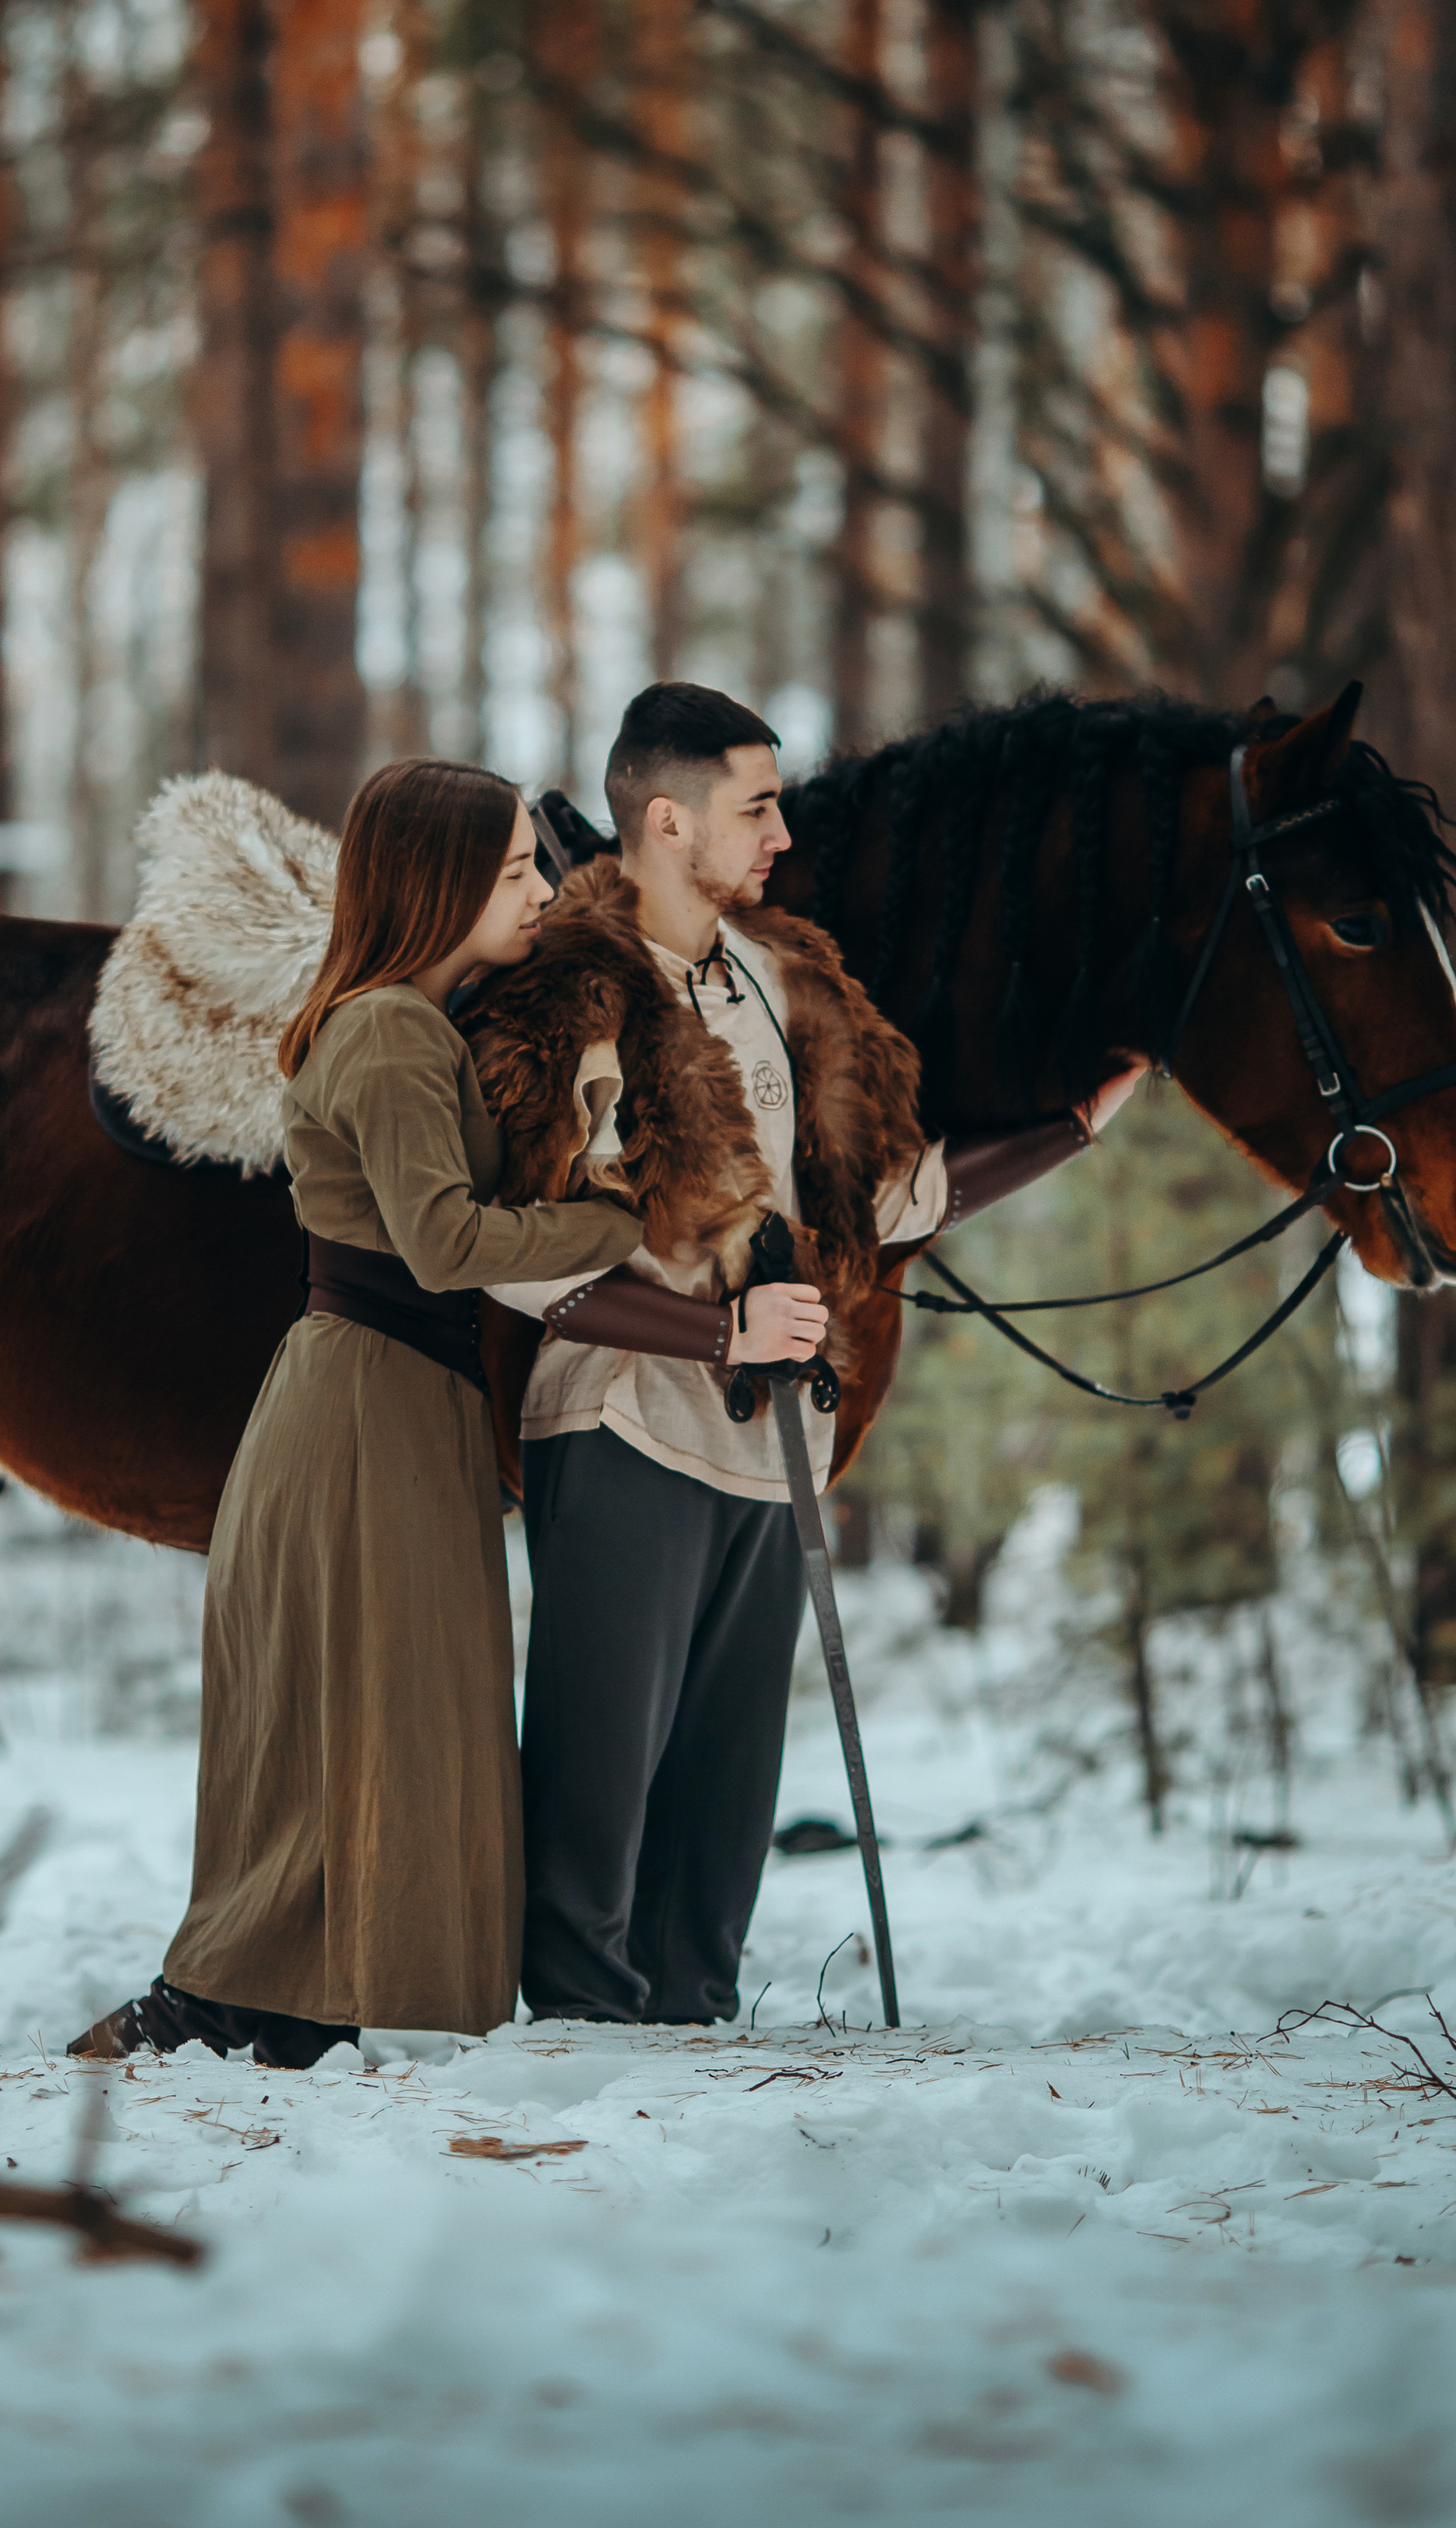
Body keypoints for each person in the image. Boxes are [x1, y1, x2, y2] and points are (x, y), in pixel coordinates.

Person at [73, 755, 821, 2070]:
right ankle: (234, 1989)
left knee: (384, 1703)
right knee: (361, 1700)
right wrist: (617, 1218)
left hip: (401, 1399)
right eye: (516, 869)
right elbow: (440, 1238)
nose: (540, 888)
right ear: (439, 883)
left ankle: (306, 1990)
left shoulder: (407, 1019)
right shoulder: (387, 1030)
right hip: (366, 1398)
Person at [467, 685, 1137, 2027]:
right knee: (598, 1806)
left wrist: (1073, 1122)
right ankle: (584, 2086)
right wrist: (718, 1325)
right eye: (756, 806)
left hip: (776, 1445)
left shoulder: (788, 982)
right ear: (667, 819)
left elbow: (877, 1204)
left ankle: (695, 2057)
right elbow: (520, 1256)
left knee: (724, 1819)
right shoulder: (568, 999)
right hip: (623, 1424)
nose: (782, 833)